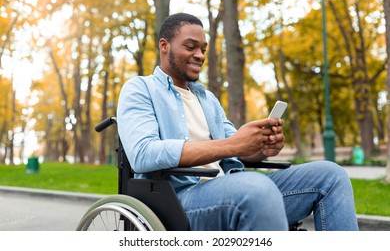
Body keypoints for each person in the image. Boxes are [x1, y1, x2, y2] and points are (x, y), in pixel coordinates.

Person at [117, 12, 359, 231]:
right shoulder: (140, 89)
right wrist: (233, 145)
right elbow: (143, 154)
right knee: (255, 188)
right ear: (164, 46)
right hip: (178, 198)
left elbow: (238, 151)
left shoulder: (207, 98)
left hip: (232, 186)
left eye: (203, 49)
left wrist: (259, 147)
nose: (199, 55)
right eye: (191, 47)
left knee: (331, 175)